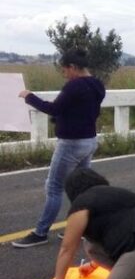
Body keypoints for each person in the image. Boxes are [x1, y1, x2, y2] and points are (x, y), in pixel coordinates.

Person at [13, 49, 106, 248]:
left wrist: (29, 96)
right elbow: (82, 110)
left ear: (73, 67)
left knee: (54, 187)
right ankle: (82, 228)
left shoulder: (74, 86)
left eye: (65, 70)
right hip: (89, 140)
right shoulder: (97, 84)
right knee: (81, 186)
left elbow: (53, 108)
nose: (65, 75)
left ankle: (40, 233)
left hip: (71, 144)